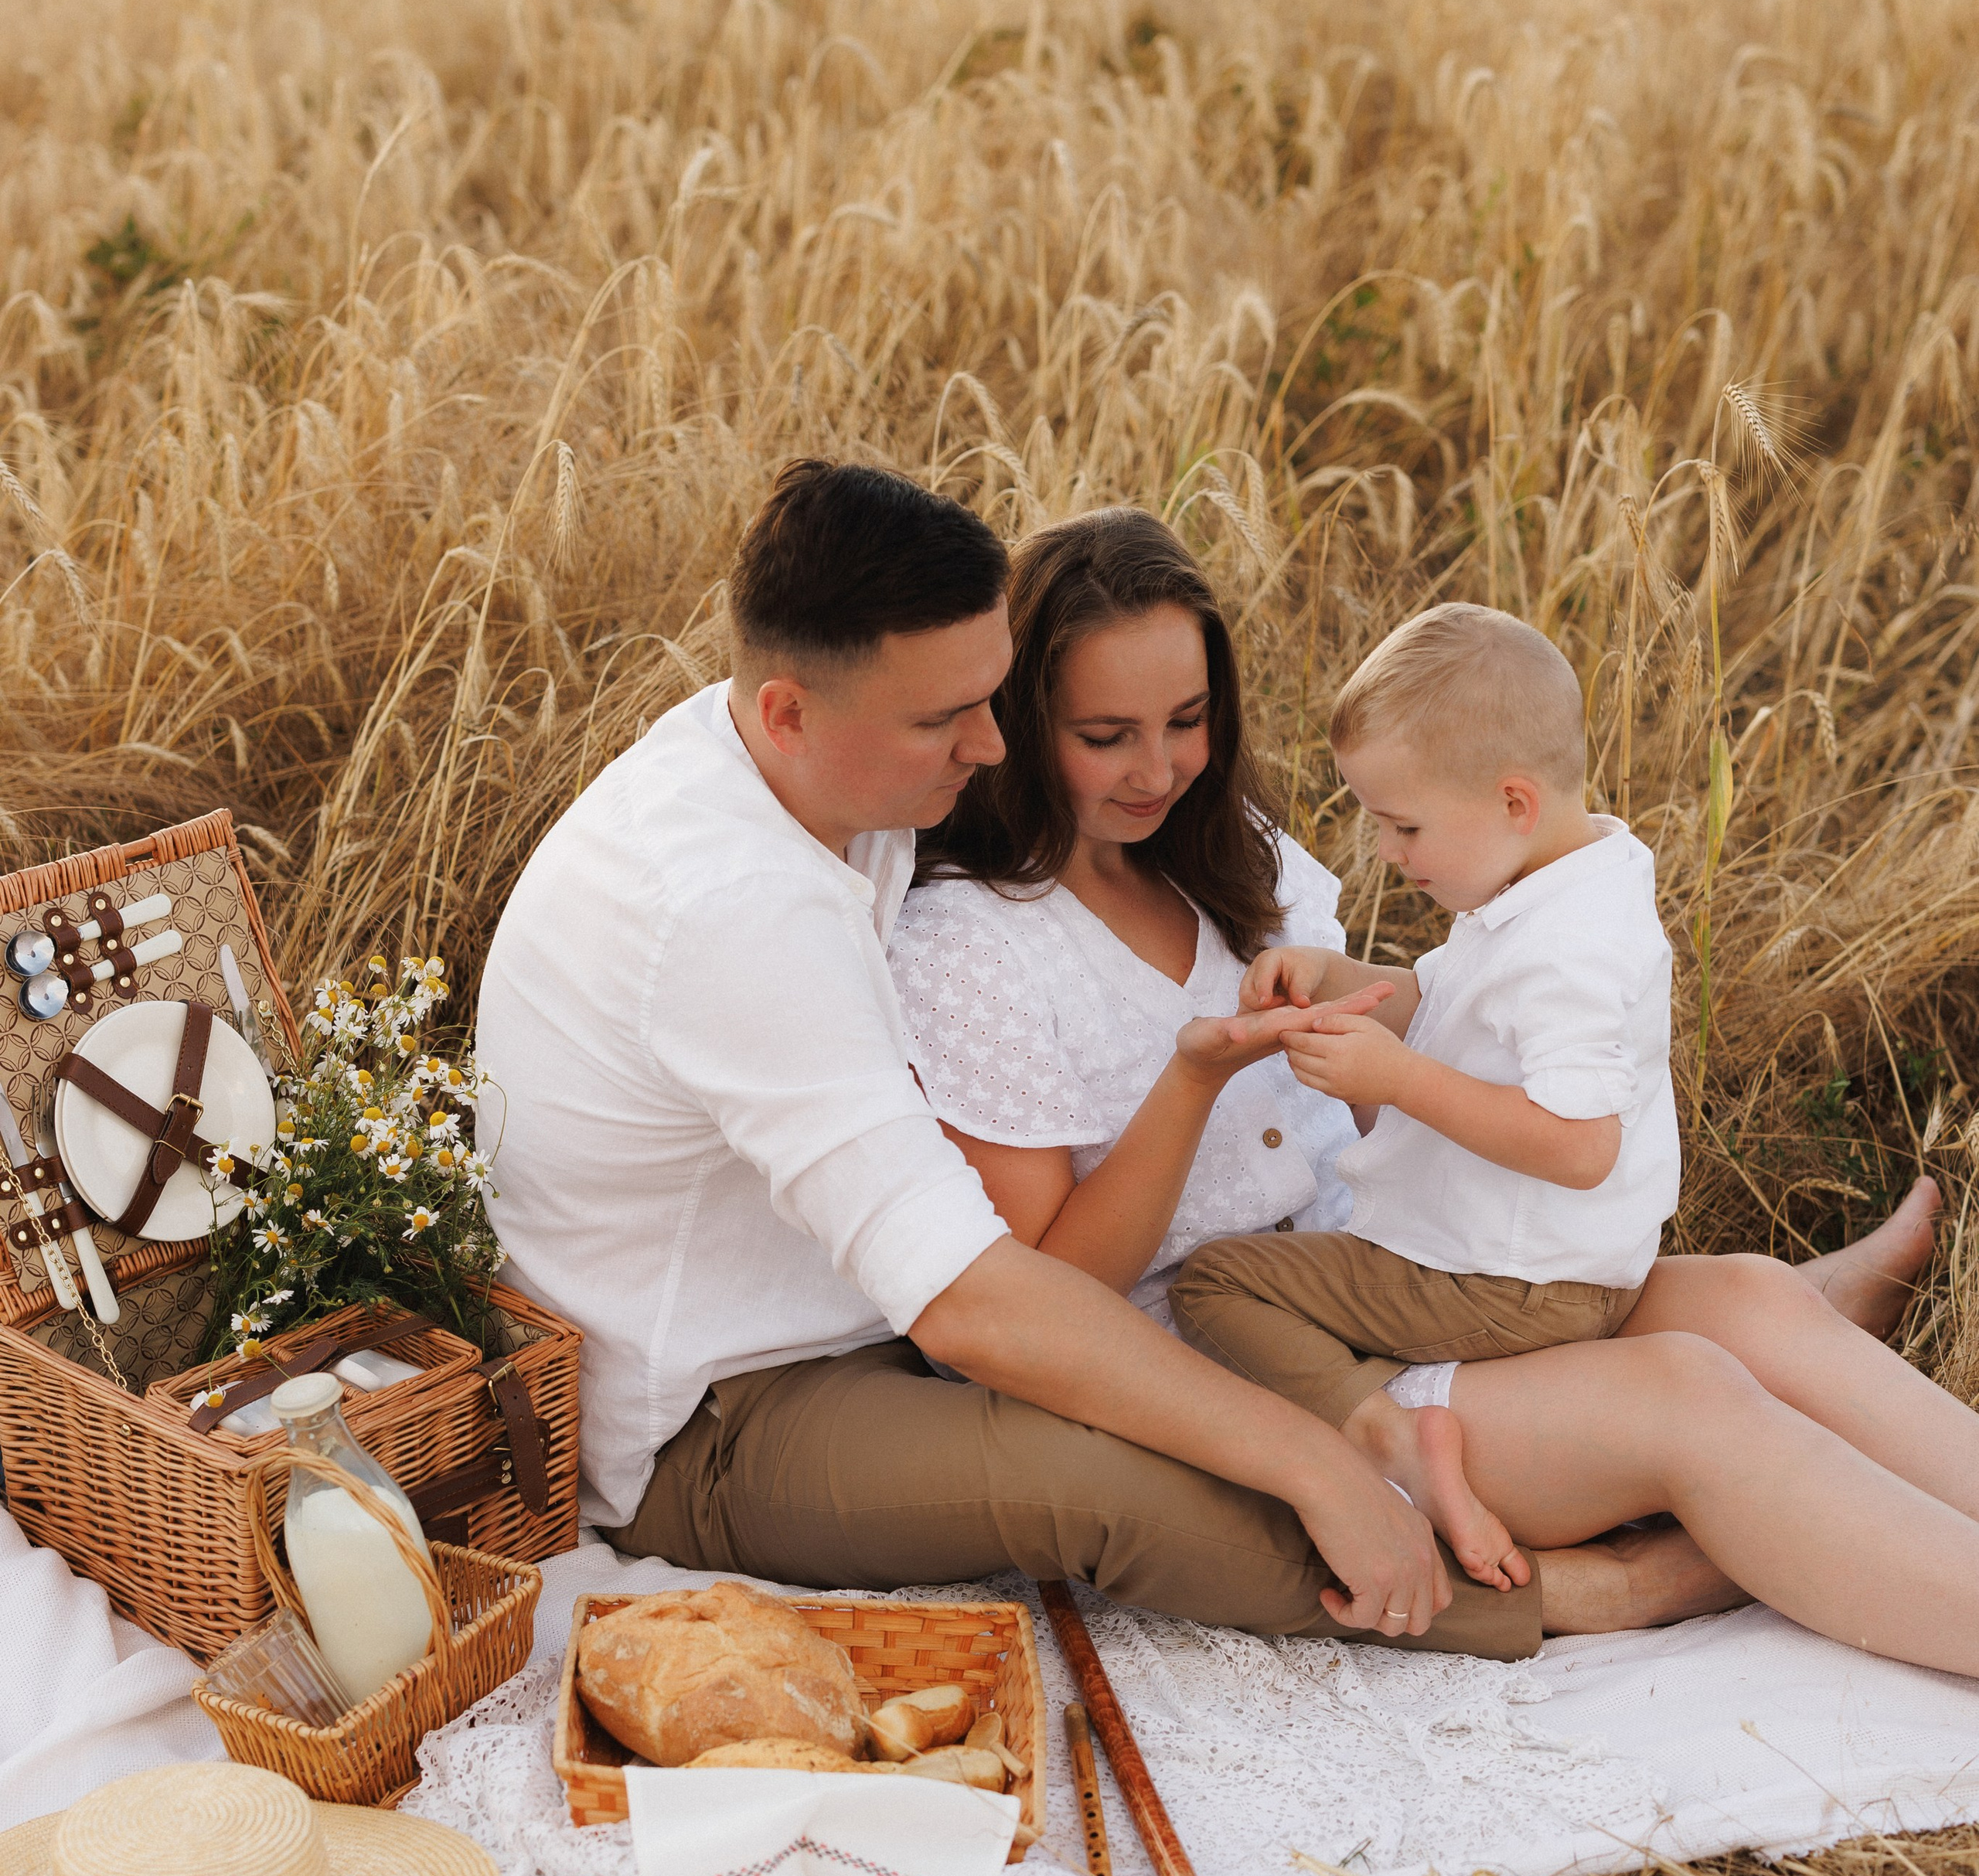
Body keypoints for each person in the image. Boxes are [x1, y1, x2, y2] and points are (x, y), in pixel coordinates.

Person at [890, 504, 1979, 1675]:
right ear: (1016, 725)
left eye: (1190, 720)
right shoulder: (976, 942)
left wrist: (1382, 1029)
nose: (1158, 769)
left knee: (1750, 1302)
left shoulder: (1227, 856)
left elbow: (1389, 1083)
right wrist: (1194, 1078)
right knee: (1686, 1392)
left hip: (1396, 1269)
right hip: (1238, 1364)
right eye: (1106, 735)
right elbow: (1045, 1297)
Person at [476, 458, 1508, 1660]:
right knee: (1101, 1479)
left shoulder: (788, 761)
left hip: (873, 1314)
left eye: (995, 697)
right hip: (713, 1410)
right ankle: (1571, 1602)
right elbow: (967, 1304)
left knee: (1169, 1398)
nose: (988, 743)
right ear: (789, 713)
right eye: (942, 720)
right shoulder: (728, 907)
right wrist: (1314, 1461)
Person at [1170, 601, 1678, 1589]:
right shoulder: (1557, 885)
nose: (1387, 852)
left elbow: (1580, 1145)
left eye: (1403, 825)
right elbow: (1454, 1010)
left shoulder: (1568, 951)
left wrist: (1393, 1078)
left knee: (1215, 1285)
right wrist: (1337, 975)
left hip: (1508, 1277)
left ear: (1513, 802)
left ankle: (1397, 1439)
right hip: (1537, 1261)